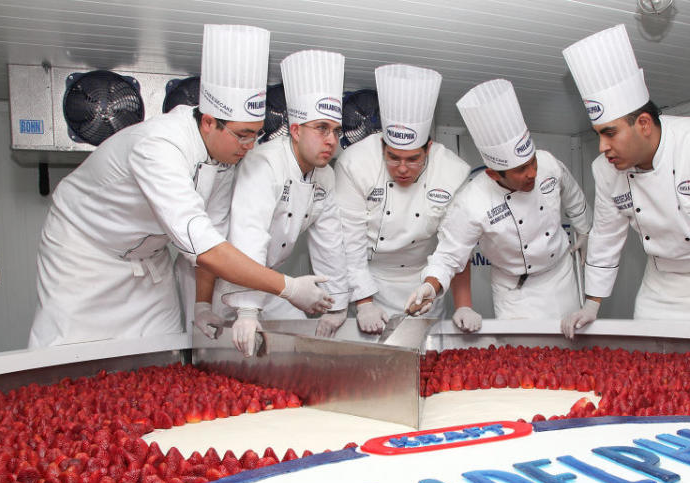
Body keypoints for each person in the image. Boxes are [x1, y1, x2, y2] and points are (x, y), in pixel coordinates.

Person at [28, 25, 332, 349]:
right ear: (209, 122)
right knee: (67, 361)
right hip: (84, 252)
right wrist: (288, 287)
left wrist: (202, 305)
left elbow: (211, 235)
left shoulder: (224, 156)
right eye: (242, 134)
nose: (249, 146)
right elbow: (204, 248)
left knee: (164, 355)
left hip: (149, 261)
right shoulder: (160, 147)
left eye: (255, 134)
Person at [560, 24, 690, 347]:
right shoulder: (605, 170)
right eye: (597, 134)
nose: (602, 147)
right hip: (659, 290)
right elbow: (605, 236)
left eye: (610, 133)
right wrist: (591, 304)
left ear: (643, 123)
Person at [406, 79, 590, 323]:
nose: (532, 173)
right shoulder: (472, 201)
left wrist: (584, 229)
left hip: (562, 275)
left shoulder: (548, 163)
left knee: (572, 354)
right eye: (521, 170)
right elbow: (449, 257)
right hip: (515, 292)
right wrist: (430, 286)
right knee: (523, 358)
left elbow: (573, 195)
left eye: (532, 162)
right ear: (493, 174)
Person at [217, 49, 350, 356]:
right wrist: (248, 310)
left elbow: (330, 244)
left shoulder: (325, 177)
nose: (331, 139)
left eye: (336, 130)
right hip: (225, 282)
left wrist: (337, 304)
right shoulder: (265, 164)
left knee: (302, 349)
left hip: (271, 282)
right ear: (295, 130)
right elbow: (249, 233)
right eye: (321, 128)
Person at [334, 64, 476, 334]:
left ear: (429, 149)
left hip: (427, 276)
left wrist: (462, 303)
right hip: (370, 278)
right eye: (393, 157)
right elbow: (347, 242)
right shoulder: (354, 164)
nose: (402, 168)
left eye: (413, 159)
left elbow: (457, 246)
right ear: (381, 145)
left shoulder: (453, 172)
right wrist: (364, 303)